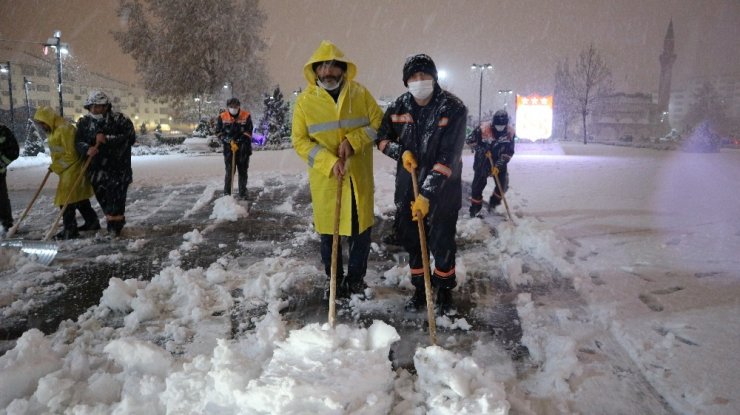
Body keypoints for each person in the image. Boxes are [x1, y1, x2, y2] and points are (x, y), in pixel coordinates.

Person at [375, 54, 468, 314]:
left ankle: (444, 289)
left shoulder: (453, 108)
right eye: (414, 77)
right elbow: (381, 139)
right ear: (406, 82)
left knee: (442, 240)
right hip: (408, 184)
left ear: (434, 78)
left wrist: (427, 194)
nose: (419, 81)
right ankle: (420, 288)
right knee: (413, 239)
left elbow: (449, 156)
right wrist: (399, 152)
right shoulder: (398, 108)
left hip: (444, 188)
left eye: (424, 75)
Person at [292, 40, 383, 297]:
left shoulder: (360, 94)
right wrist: (328, 162)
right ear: (315, 70)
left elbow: (379, 123)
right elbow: (299, 141)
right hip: (327, 181)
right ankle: (334, 280)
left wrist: (354, 141)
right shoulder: (305, 102)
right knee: (329, 236)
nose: (328, 72)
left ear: (343, 69)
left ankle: (355, 280)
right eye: (323, 67)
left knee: (360, 234)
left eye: (333, 67)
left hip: (358, 179)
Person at [75, 90, 136, 237]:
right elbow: (78, 141)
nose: (95, 110)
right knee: (104, 201)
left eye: (99, 106)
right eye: (92, 107)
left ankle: (114, 228)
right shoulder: (84, 123)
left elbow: (130, 138)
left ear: (106, 106)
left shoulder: (120, 119)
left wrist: (108, 139)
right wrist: (87, 149)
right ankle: (113, 222)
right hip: (96, 170)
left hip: (118, 169)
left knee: (116, 201)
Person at [34, 106, 100, 240]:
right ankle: (92, 222)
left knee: (65, 199)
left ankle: (70, 229)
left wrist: (56, 166)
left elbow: (72, 155)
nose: (41, 126)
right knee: (78, 196)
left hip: (74, 167)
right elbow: (58, 151)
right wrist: (56, 165)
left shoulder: (64, 129)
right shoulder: (52, 129)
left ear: (48, 118)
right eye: (39, 123)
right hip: (66, 169)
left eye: (42, 122)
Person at [467, 109, 516, 217]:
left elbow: (509, 152)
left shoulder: (510, 133)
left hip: (500, 163)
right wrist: (482, 149)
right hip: (482, 162)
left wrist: (498, 165)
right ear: (493, 122)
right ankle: (475, 210)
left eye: (502, 125)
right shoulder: (483, 129)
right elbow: (470, 140)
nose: (500, 127)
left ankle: (493, 204)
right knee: (477, 187)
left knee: (502, 185)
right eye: (498, 125)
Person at [215, 97, 253, 199]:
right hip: (229, 150)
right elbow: (218, 132)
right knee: (229, 171)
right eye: (231, 106)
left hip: (243, 149)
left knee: (243, 171)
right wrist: (228, 140)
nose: (234, 108)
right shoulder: (222, 116)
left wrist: (239, 141)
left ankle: (243, 193)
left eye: (235, 106)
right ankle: (227, 193)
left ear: (239, 106)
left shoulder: (246, 116)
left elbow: (249, 132)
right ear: (228, 107)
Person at [0, 123, 19, 231]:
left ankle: (6, 224)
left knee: (1, 198)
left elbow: (13, 152)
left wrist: (1, 163)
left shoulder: (3, 131)